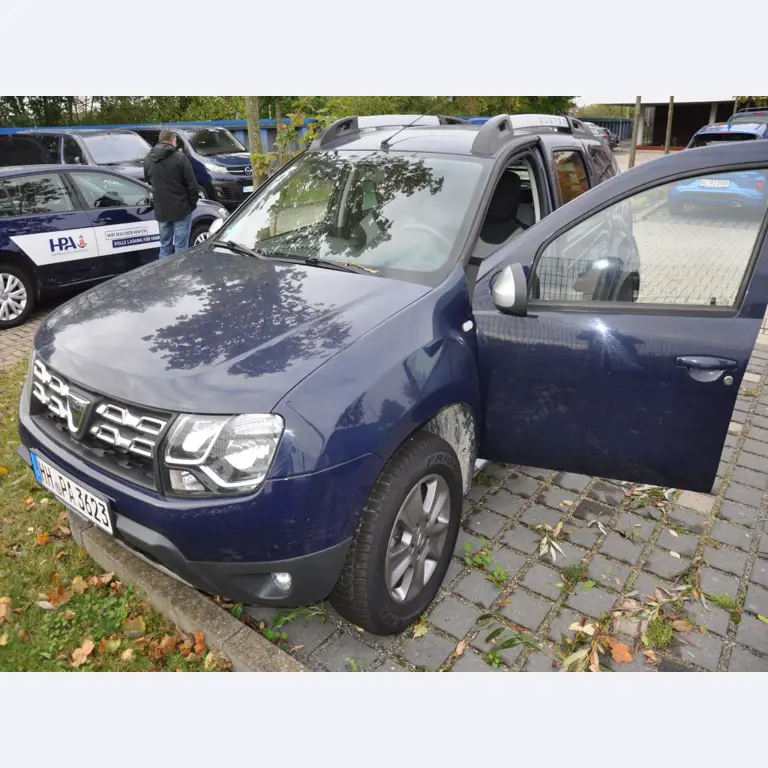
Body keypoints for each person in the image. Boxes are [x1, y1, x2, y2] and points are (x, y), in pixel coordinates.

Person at [143, 129, 200, 258]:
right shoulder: (180, 158)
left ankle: (164, 275)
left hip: (161, 210)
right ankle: (180, 274)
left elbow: (149, 180)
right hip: (181, 209)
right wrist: (192, 204)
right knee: (181, 247)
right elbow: (192, 184)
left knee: (164, 247)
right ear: (172, 140)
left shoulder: (148, 159)